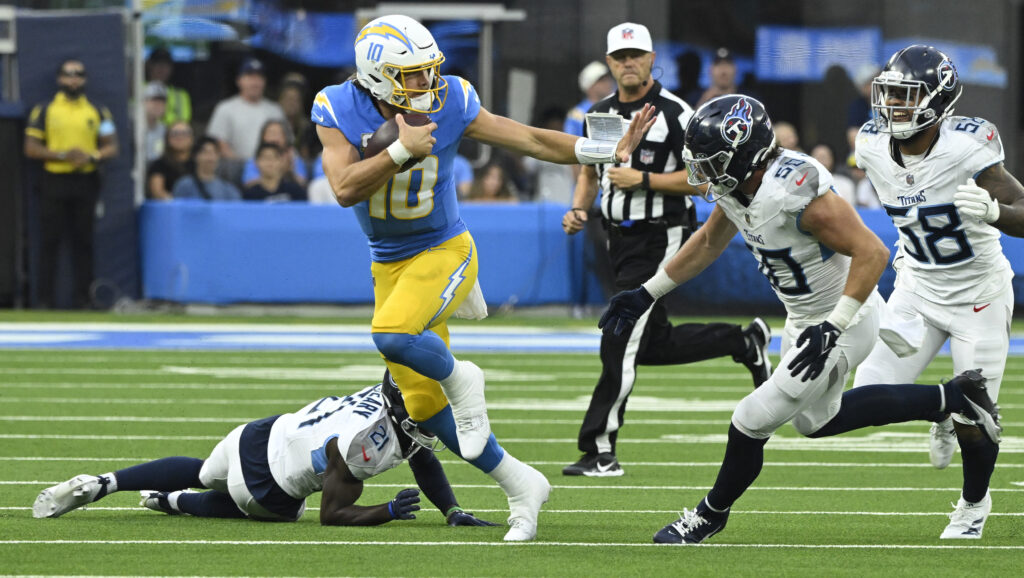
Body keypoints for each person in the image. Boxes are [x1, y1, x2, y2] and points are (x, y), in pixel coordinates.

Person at [596, 94, 1002, 545]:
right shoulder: (738, 186)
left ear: (745, 153)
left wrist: (834, 326)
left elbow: (872, 252)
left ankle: (709, 515)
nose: (704, 174)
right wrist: (647, 293)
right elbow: (709, 240)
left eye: (712, 162)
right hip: (803, 318)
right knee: (814, 422)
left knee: (751, 418)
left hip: (843, 319)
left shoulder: (795, 192)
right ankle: (948, 398)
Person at [313, 14, 655, 541]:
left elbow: (530, 141)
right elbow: (343, 188)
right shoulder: (336, 106)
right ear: (377, 76)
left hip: (445, 248)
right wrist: (400, 151)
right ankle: (521, 484)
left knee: (394, 334)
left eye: (429, 72)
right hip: (388, 262)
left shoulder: (452, 98)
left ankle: (462, 377)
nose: (426, 85)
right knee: (423, 408)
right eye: (413, 75)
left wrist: (602, 150)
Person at [560, 23, 772, 478]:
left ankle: (600, 449)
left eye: (636, 54)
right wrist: (578, 208)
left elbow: (704, 180)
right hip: (617, 235)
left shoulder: (677, 113)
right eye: (620, 56)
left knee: (619, 335)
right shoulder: (597, 111)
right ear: (609, 61)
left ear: (653, 58)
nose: (628, 63)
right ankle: (742, 341)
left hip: (663, 233)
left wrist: (645, 179)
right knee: (650, 343)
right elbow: (586, 170)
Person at [851, 44, 1024, 539]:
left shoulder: (968, 146)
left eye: (907, 97)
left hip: (979, 295)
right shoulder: (869, 145)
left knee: (980, 422)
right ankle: (941, 405)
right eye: (890, 95)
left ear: (938, 101)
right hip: (917, 287)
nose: (893, 107)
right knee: (867, 396)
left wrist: (996, 214)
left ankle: (974, 505)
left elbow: (1023, 208)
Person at [34, 373, 496, 529]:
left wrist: (451, 509)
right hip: (266, 488)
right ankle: (172, 502)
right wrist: (388, 510)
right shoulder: (363, 443)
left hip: (254, 434)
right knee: (282, 511)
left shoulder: (386, 397)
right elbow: (333, 515)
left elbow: (421, 455)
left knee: (199, 470)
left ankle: (105, 482)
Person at [24, 58, 118, 310]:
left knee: (84, 241)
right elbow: (31, 147)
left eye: (78, 74)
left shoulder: (99, 111)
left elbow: (111, 145)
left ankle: (84, 299)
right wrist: (64, 155)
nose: (73, 79)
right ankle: (44, 300)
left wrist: (92, 156)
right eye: (68, 74)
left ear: (85, 79)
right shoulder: (45, 109)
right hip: (54, 179)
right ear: (59, 79)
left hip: (85, 180)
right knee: (49, 241)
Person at [206, 57, 285, 162]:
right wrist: (245, 167)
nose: (255, 82)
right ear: (239, 80)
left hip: (272, 168)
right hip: (235, 168)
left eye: (259, 77)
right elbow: (218, 142)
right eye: (250, 77)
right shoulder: (225, 108)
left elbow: (287, 143)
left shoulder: (275, 110)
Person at [241, 119, 308, 188]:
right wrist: (271, 175)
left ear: (285, 138)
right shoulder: (254, 161)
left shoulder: (294, 158)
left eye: (278, 134)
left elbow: (302, 184)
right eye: (270, 133)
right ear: (262, 137)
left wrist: (288, 172)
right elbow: (248, 185)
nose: (274, 138)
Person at [172, 136, 241, 201]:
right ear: (196, 156)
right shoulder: (184, 186)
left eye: (214, 152)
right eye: (206, 152)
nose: (210, 157)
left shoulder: (228, 190)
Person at [243, 142, 307, 202]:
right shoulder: (250, 195)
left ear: (281, 161)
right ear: (256, 162)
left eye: (274, 157)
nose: (269, 162)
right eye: (265, 157)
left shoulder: (295, 191)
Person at [146, 120, 194, 201]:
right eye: (175, 134)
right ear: (167, 138)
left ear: (191, 138)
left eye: (184, 133)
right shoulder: (159, 165)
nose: (180, 137)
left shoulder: (198, 163)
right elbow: (157, 192)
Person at [145, 47, 192, 125]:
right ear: (149, 65)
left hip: (173, 136)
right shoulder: (138, 88)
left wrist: (160, 115)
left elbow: (183, 123)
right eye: (157, 63)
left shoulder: (181, 95)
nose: (162, 68)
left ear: (171, 68)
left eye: (166, 64)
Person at [143, 81, 167, 162]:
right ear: (144, 102)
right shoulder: (133, 129)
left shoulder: (166, 130)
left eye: (162, 101)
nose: (158, 105)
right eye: (154, 100)